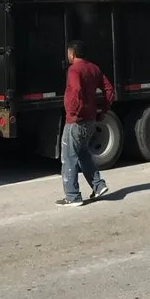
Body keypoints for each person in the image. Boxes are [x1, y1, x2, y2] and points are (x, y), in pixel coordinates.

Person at [56, 40, 114, 207]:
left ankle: (73, 196)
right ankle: (98, 186)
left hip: (76, 121)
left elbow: (75, 90)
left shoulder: (74, 69)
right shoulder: (94, 68)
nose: (67, 56)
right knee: (83, 155)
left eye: (68, 53)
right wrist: (103, 110)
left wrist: (73, 112)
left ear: (72, 54)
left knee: (68, 158)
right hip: (90, 119)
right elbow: (109, 90)